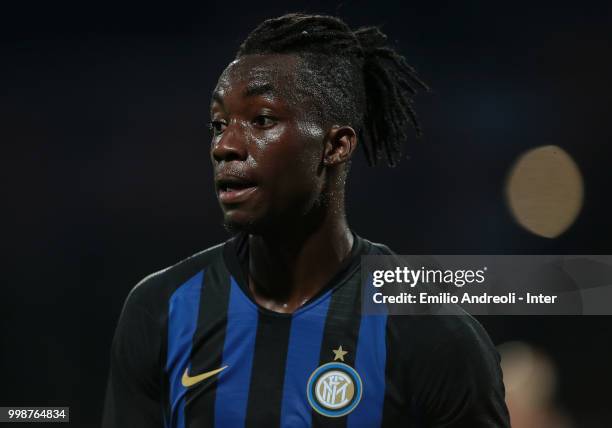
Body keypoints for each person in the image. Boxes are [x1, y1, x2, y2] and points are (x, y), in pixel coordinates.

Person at [102, 13, 510, 427]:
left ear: (335, 146)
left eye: (261, 120)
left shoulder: (431, 335)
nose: (225, 145)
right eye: (218, 124)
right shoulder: (161, 311)